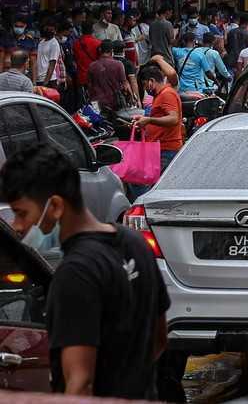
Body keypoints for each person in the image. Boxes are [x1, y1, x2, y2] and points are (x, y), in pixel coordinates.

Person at [0, 143, 169, 397]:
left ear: (55, 206)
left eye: (22, 213)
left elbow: (80, 383)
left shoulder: (75, 274)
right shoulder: (135, 244)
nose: (18, 225)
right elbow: (159, 340)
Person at [133, 66, 184, 197]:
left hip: (166, 149)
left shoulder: (167, 94)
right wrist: (144, 122)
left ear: (151, 81)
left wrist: (149, 120)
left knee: (146, 186)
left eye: (145, 85)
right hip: (159, 149)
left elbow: (173, 118)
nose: (145, 89)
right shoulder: (161, 95)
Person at [87, 42, 129, 113]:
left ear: (100, 51)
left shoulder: (92, 66)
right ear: (111, 51)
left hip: (97, 102)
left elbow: (89, 86)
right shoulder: (118, 64)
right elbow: (124, 84)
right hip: (114, 103)